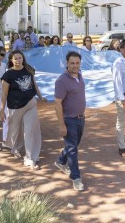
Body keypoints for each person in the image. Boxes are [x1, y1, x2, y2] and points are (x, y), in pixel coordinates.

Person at [0, 50, 46, 170]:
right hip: (14, 106)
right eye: (15, 58)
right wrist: (1, 110)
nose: (18, 60)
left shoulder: (28, 69)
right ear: (11, 60)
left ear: (23, 59)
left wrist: (40, 96)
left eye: (20, 58)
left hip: (30, 103)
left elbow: (34, 84)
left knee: (31, 130)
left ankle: (30, 157)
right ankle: (15, 148)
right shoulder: (7, 75)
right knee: (15, 131)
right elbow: (4, 94)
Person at [54, 51, 86, 191]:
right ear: (67, 64)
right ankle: (76, 177)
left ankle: (61, 161)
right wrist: (62, 125)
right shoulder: (62, 81)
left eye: (77, 63)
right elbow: (57, 104)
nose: (75, 66)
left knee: (73, 145)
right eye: (72, 63)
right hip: (69, 120)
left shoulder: (79, 75)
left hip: (80, 118)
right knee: (73, 149)